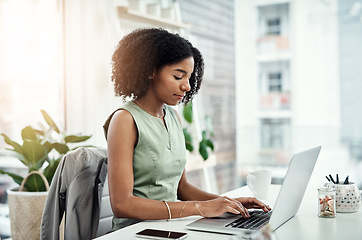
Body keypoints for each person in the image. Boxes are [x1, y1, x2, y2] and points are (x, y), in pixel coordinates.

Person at [103, 28, 271, 231]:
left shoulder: (173, 117)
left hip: (172, 228)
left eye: (189, 78)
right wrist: (200, 208)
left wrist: (227, 202)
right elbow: (122, 204)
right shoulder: (125, 119)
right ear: (150, 71)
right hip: (135, 231)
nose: (187, 86)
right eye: (178, 76)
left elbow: (181, 187)